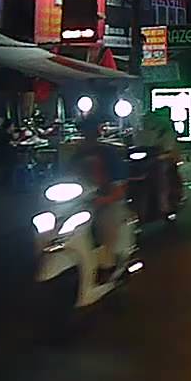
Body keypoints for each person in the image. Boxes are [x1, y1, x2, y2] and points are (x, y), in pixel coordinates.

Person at [70, 118, 129, 275]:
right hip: (80, 202)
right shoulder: (76, 155)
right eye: (84, 131)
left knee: (106, 223)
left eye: (89, 131)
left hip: (105, 200)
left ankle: (109, 263)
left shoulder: (108, 153)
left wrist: (105, 198)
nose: (86, 135)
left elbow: (119, 186)